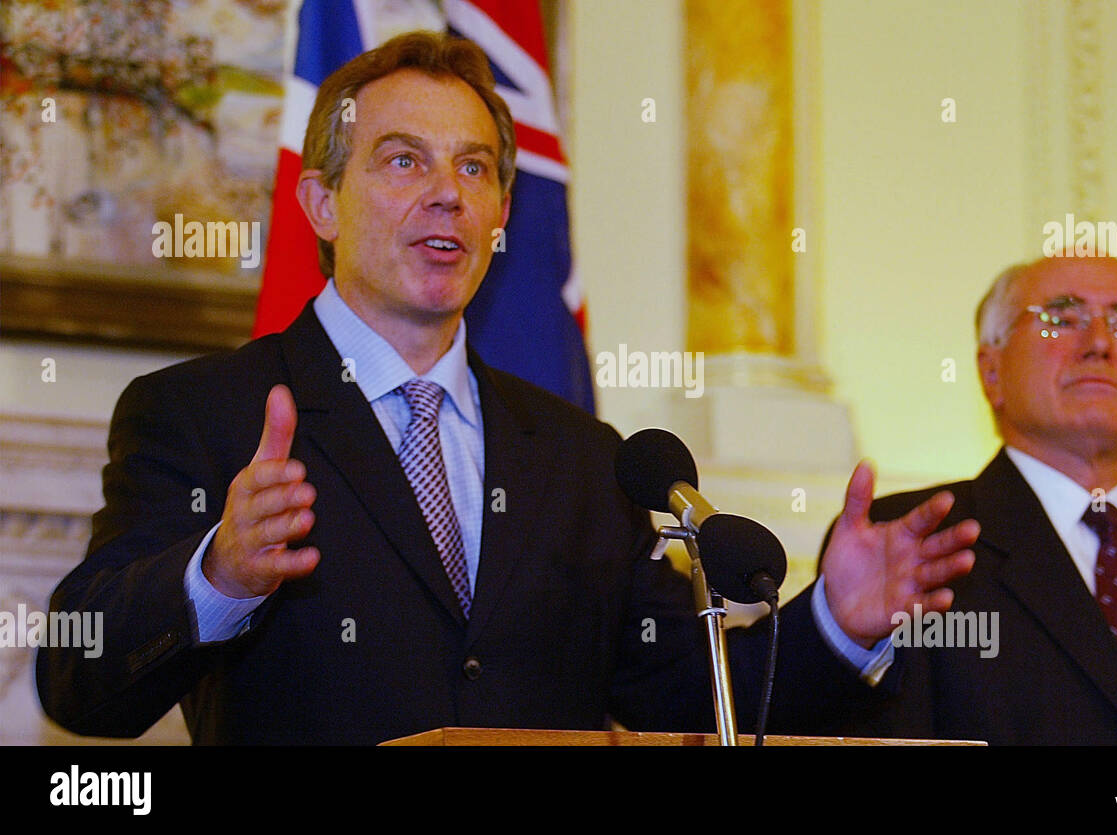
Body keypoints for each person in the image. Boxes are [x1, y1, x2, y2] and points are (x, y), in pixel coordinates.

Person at [35, 31, 977, 744]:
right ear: (321, 202)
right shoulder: (203, 414)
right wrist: (215, 575)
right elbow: (74, 679)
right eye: (404, 159)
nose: (446, 192)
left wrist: (834, 621)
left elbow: (677, 696)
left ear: (499, 218)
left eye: (473, 167)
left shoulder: (587, 458)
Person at [821, 255, 1117, 745]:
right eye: (1061, 319)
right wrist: (838, 635)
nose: (1099, 344)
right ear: (991, 371)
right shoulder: (915, 548)